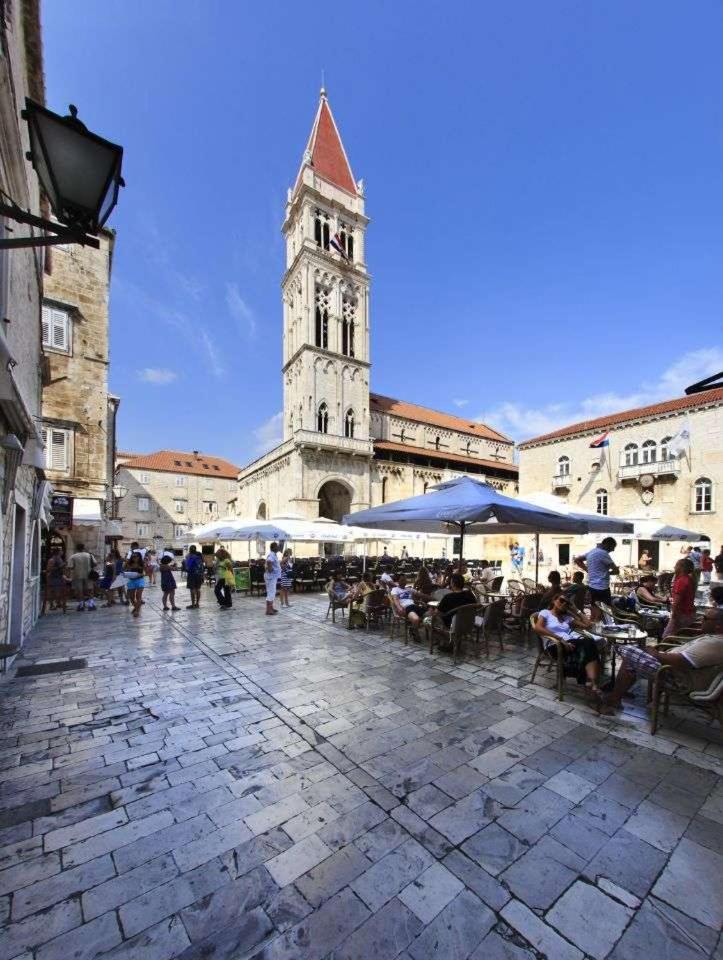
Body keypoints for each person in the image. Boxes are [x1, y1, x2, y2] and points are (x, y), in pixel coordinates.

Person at [601, 632, 723, 714]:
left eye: (706, 618)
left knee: (629, 652)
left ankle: (614, 698)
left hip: (675, 677)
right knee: (633, 658)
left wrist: (654, 653)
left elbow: (680, 661)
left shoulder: (715, 644)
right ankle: (616, 696)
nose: (702, 620)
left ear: (718, 624)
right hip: (673, 670)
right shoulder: (714, 639)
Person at [533, 593, 602, 702]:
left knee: (589, 644)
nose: (564, 603)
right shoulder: (545, 613)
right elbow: (538, 628)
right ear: (554, 600)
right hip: (554, 645)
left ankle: (591, 683)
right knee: (588, 645)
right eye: (561, 600)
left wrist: (575, 610)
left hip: (570, 644)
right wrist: (560, 639)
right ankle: (591, 684)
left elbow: (588, 625)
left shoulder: (567, 618)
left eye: (567, 603)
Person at [574, 537, 619, 616]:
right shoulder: (604, 553)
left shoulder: (591, 552)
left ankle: (594, 622)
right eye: (612, 547)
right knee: (606, 612)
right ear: (607, 545)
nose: (613, 550)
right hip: (602, 587)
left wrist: (588, 570)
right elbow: (616, 571)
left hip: (592, 586)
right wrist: (607, 573)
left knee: (594, 609)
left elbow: (577, 560)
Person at [664, 558, 696, 638]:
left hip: (682, 614)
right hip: (688, 613)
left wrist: (674, 616)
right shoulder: (688, 579)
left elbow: (677, 601)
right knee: (680, 636)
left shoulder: (682, 581)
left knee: (667, 637)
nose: (674, 567)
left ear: (681, 567)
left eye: (676, 565)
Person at [67, 543, 96, 611]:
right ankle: (91, 605)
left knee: (79, 591)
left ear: (77, 548)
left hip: (77, 575)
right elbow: (95, 563)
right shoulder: (89, 555)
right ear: (84, 548)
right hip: (88, 575)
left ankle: (81, 605)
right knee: (90, 590)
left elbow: (70, 567)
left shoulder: (73, 556)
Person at [45, 547, 66, 614]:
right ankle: (51, 605)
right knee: (53, 591)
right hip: (53, 577)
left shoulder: (59, 558)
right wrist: (60, 567)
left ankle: (58, 603)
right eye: (61, 550)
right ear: (58, 552)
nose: (62, 551)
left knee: (58, 591)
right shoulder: (52, 559)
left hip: (58, 576)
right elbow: (49, 569)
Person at [124, 551, 145, 618]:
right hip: (131, 581)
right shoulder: (129, 563)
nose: (134, 558)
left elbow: (145, 572)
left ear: (139, 557)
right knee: (132, 597)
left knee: (138, 596)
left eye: (136, 556)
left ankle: (137, 611)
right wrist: (126, 566)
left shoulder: (142, 563)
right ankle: (136, 607)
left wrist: (141, 574)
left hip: (140, 580)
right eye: (133, 557)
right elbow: (124, 570)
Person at [184, 545, 205, 609]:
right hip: (200, 574)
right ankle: (197, 604)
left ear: (190, 550)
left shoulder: (190, 556)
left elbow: (187, 566)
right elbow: (203, 564)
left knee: (192, 589)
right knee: (198, 589)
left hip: (192, 574)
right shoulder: (199, 556)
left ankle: (193, 604)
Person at [265, 541, 281, 615]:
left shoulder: (273, 554)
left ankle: (270, 608)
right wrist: (270, 569)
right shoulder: (271, 554)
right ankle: (268, 610)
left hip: (272, 577)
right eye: (277, 546)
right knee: (271, 593)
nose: (278, 547)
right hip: (271, 577)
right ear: (274, 547)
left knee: (271, 592)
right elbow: (269, 561)